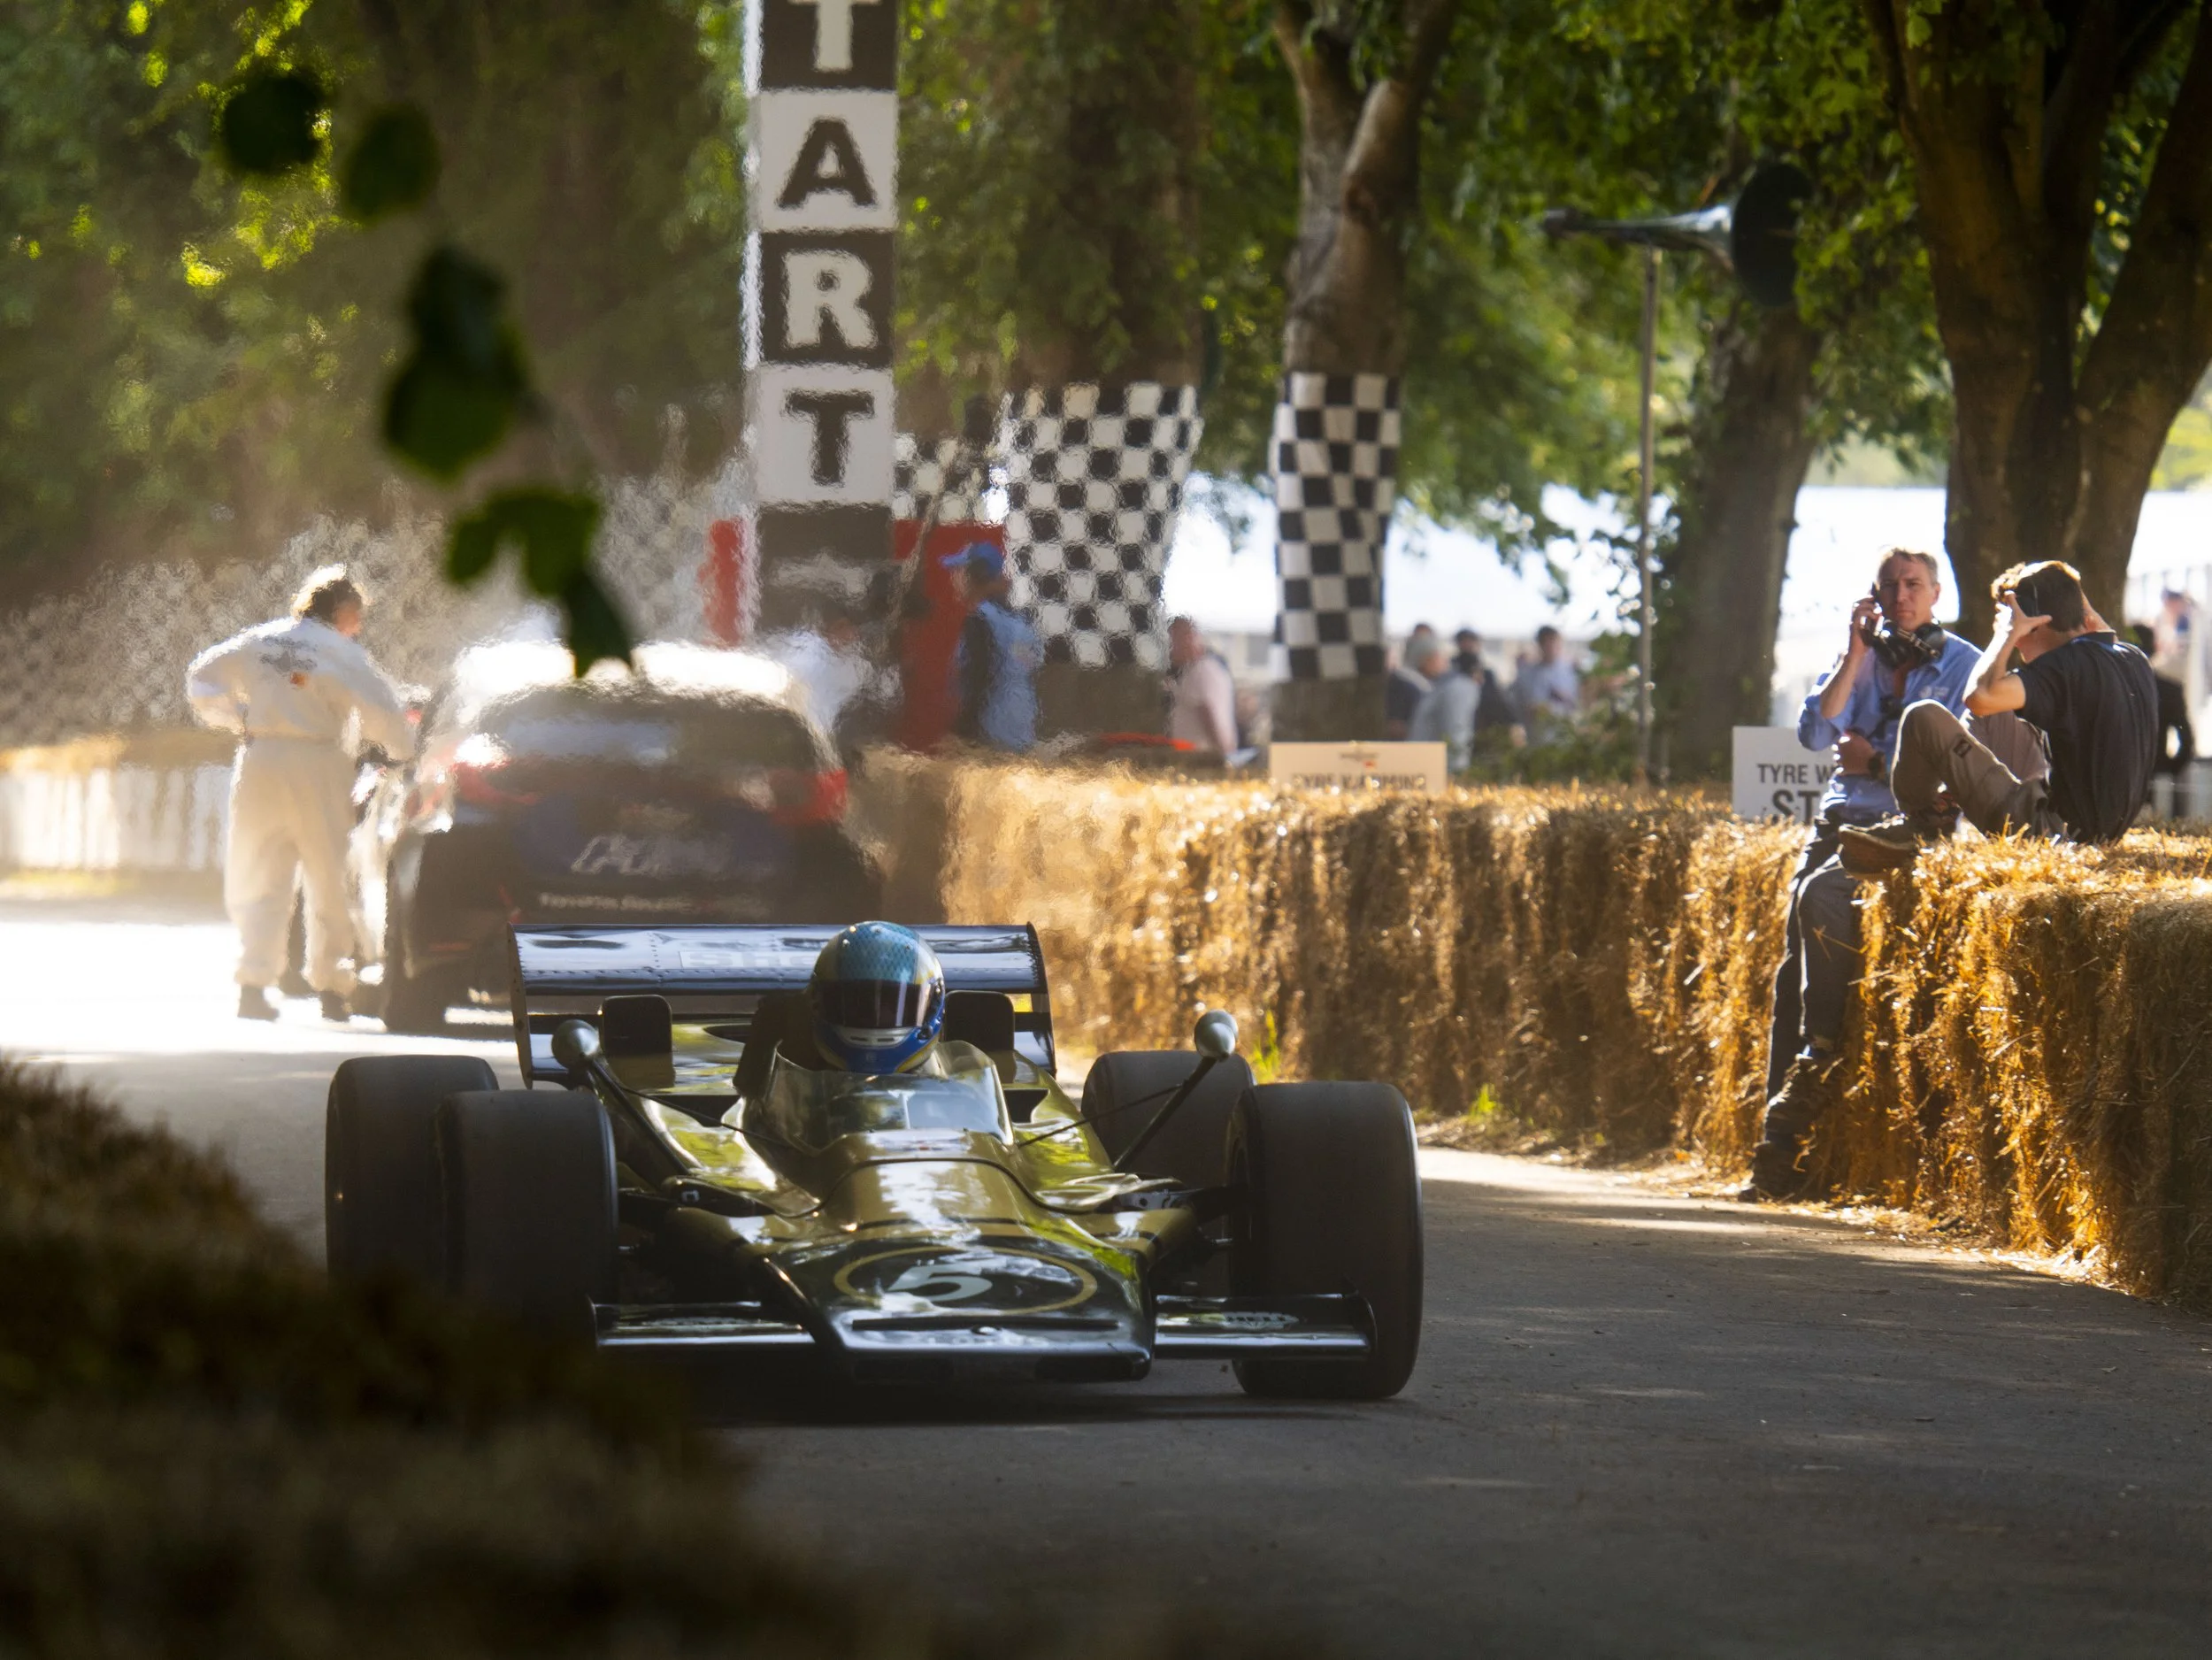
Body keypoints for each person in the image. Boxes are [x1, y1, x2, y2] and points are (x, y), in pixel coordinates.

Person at [1740, 548, 1980, 1202]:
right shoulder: (1863, 657)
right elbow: (1814, 735)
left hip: (1908, 831)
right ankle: (1780, 1146)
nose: (1902, 597)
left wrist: (1876, 763)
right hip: (1840, 821)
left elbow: (1955, 769)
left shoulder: (1964, 665)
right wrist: (1854, 653)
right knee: (1792, 969)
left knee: (1827, 916)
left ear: (1936, 594)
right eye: (1889, 587)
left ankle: (1819, 1064)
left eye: (1913, 585)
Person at [186, 566, 414, 1022]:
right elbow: (383, 710)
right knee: (327, 874)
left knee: (262, 870)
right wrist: (403, 752)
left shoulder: (261, 640)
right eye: (357, 615)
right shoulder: (341, 651)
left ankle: (253, 984)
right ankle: (331, 986)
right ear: (343, 609)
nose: (359, 625)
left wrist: (236, 717)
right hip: (318, 762)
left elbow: (202, 676)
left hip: (261, 759)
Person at [1839, 559, 2156, 872]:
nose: (2017, 646)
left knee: (1922, 718)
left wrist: (2006, 633)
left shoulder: (2062, 669)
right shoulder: (2132, 657)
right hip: (2097, 832)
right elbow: (2092, 623)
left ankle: (1918, 825)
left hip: (2053, 835)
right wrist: (2064, 590)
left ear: (2031, 621)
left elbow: (1979, 697)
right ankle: (1944, 804)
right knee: (1997, 711)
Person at [945, 543, 1041, 753]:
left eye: (959, 571)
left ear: (974, 576)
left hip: (989, 729)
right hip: (1021, 724)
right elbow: (1030, 669)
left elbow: (979, 677)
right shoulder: (1021, 621)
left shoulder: (979, 621)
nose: (953, 579)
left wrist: (962, 730)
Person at [2130, 622, 2194, 818]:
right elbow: (2186, 740)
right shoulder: (2168, 689)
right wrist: (2166, 769)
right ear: (2155, 648)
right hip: (2152, 778)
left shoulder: (2108, 688)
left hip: (2113, 779)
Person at [1165, 616, 1239, 755]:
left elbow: (1207, 713)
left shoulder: (1199, 672)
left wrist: (1222, 754)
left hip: (1200, 757)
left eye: (1173, 642)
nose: (1170, 649)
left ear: (1188, 639)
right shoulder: (1210, 668)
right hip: (1203, 755)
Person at [1407, 642, 1479, 772]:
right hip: (1425, 766)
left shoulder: (1456, 688)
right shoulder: (1438, 686)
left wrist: (1456, 772)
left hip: (1437, 769)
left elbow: (1456, 731)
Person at [1513, 626, 1580, 730]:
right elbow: (1519, 706)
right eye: (1547, 644)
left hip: (1564, 732)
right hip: (1536, 733)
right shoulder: (1526, 675)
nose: (1551, 648)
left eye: (1554, 643)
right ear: (1539, 645)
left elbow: (1579, 706)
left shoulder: (1571, 673)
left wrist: (1565, 699)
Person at [1452, 628, 1514, 738]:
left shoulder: (1487, 674)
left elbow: (1495, 699)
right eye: (1464, 642)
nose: (1468, 646)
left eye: (1471, 642)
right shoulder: (1451, 672)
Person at [1384, 628, 1436, 741]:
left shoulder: (1426, 682)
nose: (1443, 663)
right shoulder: (1404, 682)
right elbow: (1395, 725)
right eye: (1436, 657)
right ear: (1424, 658)